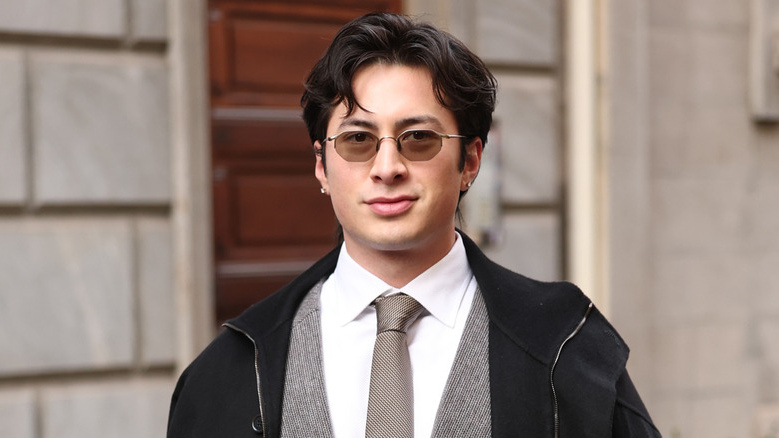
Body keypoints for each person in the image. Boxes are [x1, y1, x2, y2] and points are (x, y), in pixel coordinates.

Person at [167, 12, 659, 438]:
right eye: (358, 139)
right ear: (321, 166)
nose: (387, 167)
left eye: (418, 138)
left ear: (469, 161)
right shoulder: (228, 373)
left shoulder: (569, 351)